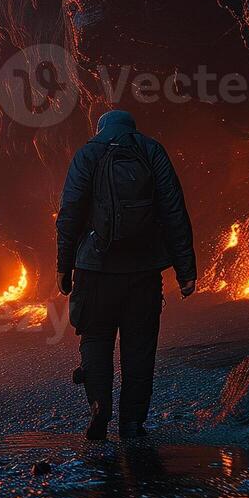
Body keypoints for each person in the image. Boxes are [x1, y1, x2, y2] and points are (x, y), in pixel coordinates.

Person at [56, 110, 198, 441]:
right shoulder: (152, 151)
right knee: (139, 347)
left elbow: (70, 214)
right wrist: (185, 270)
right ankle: (132, 422)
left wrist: (64, 265)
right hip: (143, 272)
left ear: (100, 128)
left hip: (94, 270)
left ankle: (98, 408)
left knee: (95, 338)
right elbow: (174, 212)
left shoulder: (87, 153)